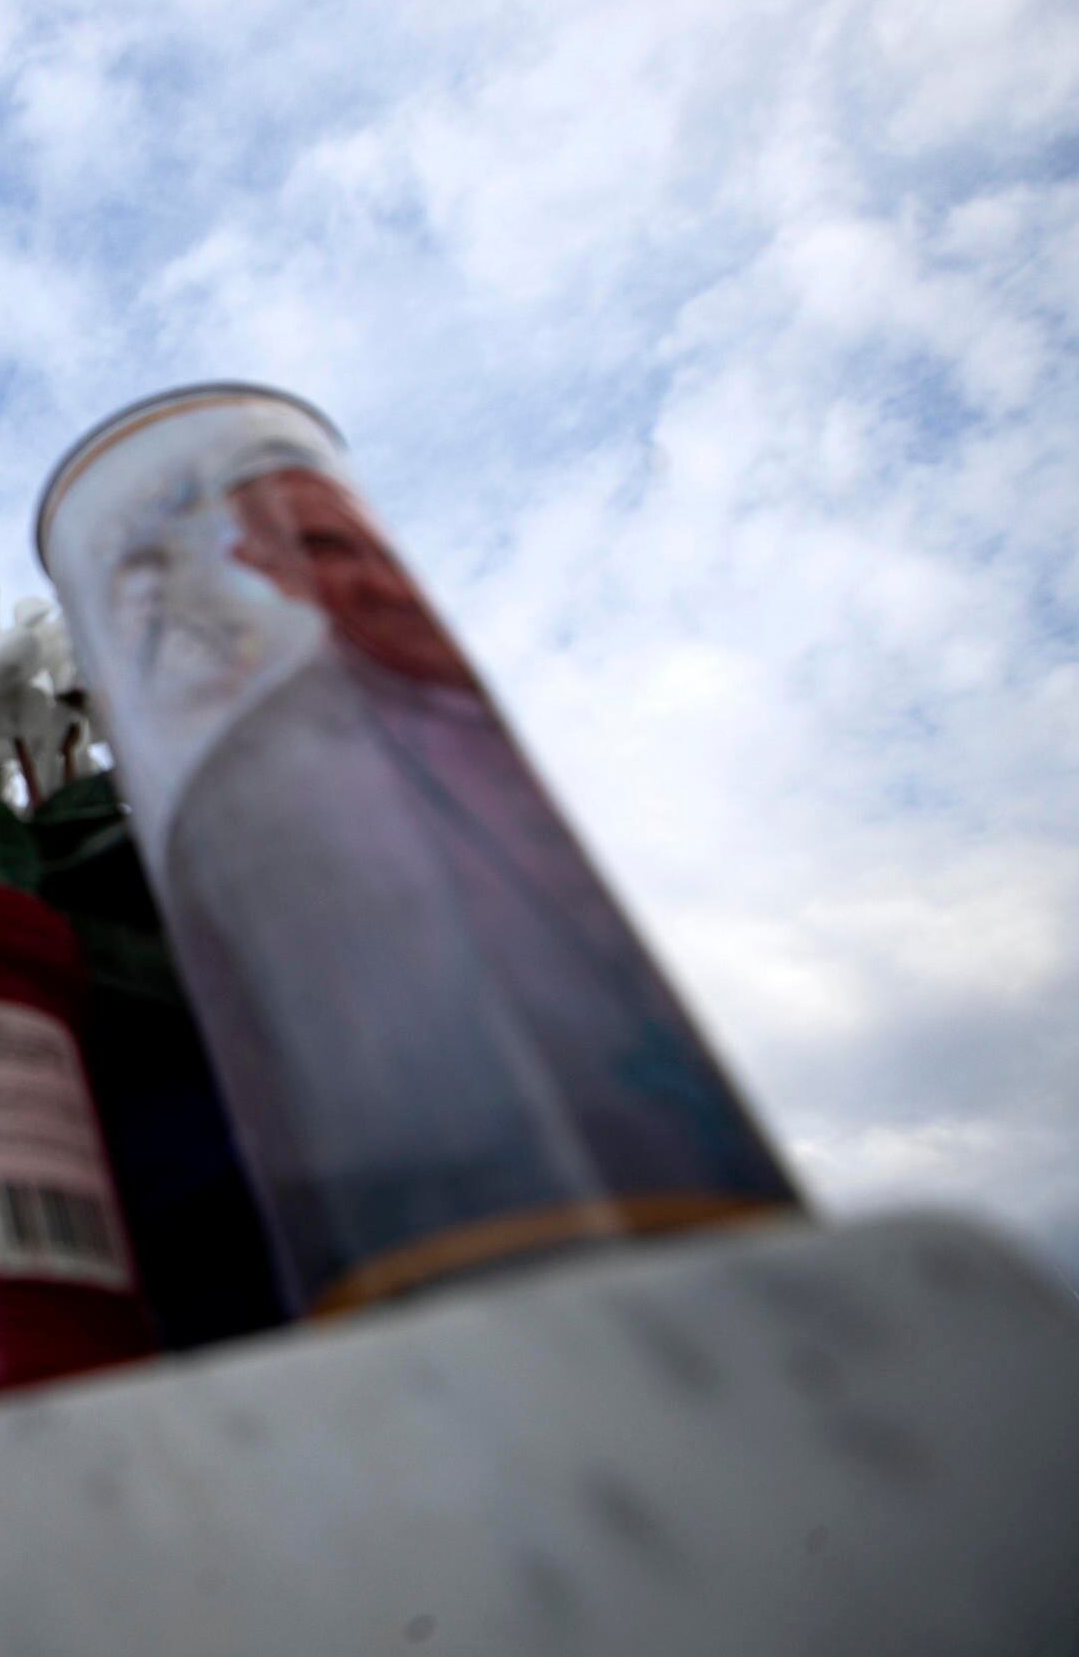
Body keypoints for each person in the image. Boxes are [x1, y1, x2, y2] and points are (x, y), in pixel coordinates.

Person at [155, 462, 793, 1307]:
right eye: (323, 550)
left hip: (725, 1227)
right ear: (261, 569)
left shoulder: (583, 726)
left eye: (379, 551)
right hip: (460, 1253)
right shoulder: (260, 787)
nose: (382, 582)